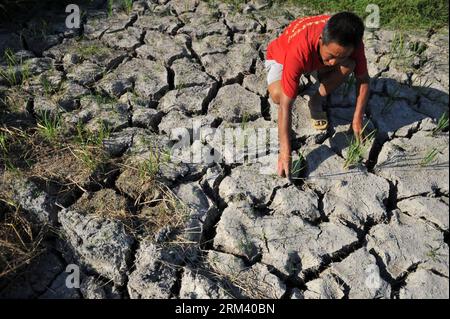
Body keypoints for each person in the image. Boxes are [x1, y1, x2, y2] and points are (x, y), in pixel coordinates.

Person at [265, 12, 370, 178]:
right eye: (331, 55)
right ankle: (299, 77)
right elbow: (286, 106)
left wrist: (357, 119)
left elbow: (363, 80)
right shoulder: (299, 49)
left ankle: (316, 100)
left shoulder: (352, 42)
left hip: (312, 60)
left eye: (341, 56)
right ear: (321, 40)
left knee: (349, 65)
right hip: (281, 56)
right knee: (278, 95)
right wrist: (285, 151)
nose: (334, 62)